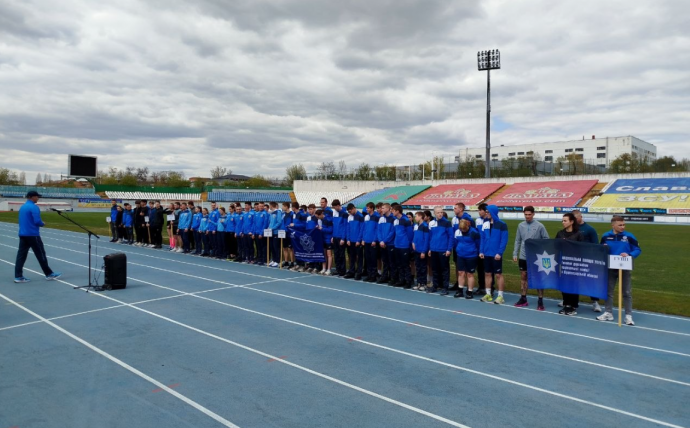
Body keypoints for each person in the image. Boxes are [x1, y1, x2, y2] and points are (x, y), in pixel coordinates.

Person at [597, 216, 642, 326]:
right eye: (620, 225)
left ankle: (628, 316)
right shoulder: (606, 236)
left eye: (624, 225)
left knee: (626, 292)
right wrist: (603, 248)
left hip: (624, 267)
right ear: (613, 225)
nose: (623, 227)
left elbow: (637, 249)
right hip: (610, 267)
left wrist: (629, 254)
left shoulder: (629, 236)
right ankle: (608, 313)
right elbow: (600, 249)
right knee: (608, 291)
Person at [14, 191, 62, 283]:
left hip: (23, 234)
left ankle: (18, 276)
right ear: (31, 197)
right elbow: (37, 221)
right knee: (41, 254)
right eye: (37, 197)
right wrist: (42, 223)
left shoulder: (23, 207)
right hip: (33, 235)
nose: (38, 198)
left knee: (21, 256)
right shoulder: (34, 207)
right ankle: (49, 274)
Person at [512, 206, 550, 310]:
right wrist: (515, 253)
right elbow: (517, 240)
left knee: (538, 278)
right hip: (523, 256)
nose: (527, 216)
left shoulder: (540, 226)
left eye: (529, 214)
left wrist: (538, 247)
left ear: (533, 214)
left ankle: (540, 300)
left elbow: (546, 239)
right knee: (523, 276)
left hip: (536, 256)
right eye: (526, 214)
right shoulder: (520, 225)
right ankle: (523, 298)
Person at [555, 213, 585, 315]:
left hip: (574, 264)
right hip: (563, 263)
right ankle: (566, 304)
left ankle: (573, 306)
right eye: (562, 221)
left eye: (565, 220)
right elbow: (555, 246)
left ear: (571, 222)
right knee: (564, 284)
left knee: (573, 284)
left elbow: (582, 249)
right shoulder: (560, 234)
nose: (563, 222)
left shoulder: (578, 234)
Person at [573, 209, 602, 313]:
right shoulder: (572, 228)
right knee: (573, 280)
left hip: (587, 259)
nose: (574, 221)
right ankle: (569, 301)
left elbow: (596, 244)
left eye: (576, 218)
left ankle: (595, 302)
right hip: (574, 259)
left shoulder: (589, 229)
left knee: (589, 280)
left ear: (580, 217)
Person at [479, 205, 509, 304]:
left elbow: (504, 240)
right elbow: (482, 239)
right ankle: (488, 294)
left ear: (493, 212)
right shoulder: (485, 224)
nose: (486, 213)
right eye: (486, 212)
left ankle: (500, 296)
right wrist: (481, 251)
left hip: (496, 254)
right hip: (486, 253)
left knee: (498, 275)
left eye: (488, 212)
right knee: (487, 273)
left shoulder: (502, 225)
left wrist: (499, 252)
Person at [427, 206, 454, 294]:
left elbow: (451, 236)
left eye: (441, 212)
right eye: (438, 212)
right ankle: (435, 285)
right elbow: (430, 237)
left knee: (444, 269)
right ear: (434, 213)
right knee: (435, 269)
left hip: (443, 249)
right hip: (434, 249)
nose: (440, 214)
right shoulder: (431, 223)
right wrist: (430, 248)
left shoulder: (447, 223)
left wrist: (449, 249)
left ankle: (445, 287)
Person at [454, 219, 481, 299]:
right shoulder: (457, 232)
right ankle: (460, 290)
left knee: (470, 274)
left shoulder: (474, 233)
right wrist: (458, 249)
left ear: (467, 226)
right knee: (460, 273)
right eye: (461, 229)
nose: (463, 231)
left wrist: (475, 252)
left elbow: (478, 244)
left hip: (471, 256)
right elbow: (455, 242)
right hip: (460, 255)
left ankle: (470, 291)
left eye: (464, 229)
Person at [392, 205, 413, 288]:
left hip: (404, 246)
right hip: (397, 245)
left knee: (405, 264)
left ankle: (408, 281)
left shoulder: (406, 220)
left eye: (393, 210)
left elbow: (410, 234)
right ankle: (401, 280)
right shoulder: (395, 221)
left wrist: (409, 245)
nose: (392, 212)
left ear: (397, 211)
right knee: (399, 264)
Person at [376, 203, 396, 284]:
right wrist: (381, 241)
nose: (382, 209)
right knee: (384, 261)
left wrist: (385, 241)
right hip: (382, 244)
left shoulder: (393, 219)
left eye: (383, 208)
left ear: (388, 208)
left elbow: (392, 232)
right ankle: (384, 276)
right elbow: (379, 230)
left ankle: (393, 278)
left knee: (391, 262)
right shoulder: (381, 218)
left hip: (390, 244)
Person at [345, 203, 364, 279]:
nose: (350, 213)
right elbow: (348, 228)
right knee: (352, 257)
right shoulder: (349, 217)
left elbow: (362, 229)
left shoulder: (360, 216)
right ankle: (351, 271)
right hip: (351, 241)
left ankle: (359, 272)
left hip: (357, 241)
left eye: (350, 211)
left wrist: (359, 240)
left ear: (353, 208)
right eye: (348, 212)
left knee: (359, 258)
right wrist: (348, 239)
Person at [361, 202, 379, 282]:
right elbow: (364, 229)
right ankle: (369, 274)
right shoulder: (366, 217)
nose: (367, 209)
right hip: (366, 241)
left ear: (372, 208)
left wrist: (374, 240)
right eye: (366, 208)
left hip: (373, 241)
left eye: (368, 208)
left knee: (373, 259)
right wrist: (363, 239)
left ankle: (373, 276)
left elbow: (377, 229)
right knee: (367, 258)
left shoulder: (376, 217)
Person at [412, 211, 430, 291]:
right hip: (416, 250)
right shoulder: (416, 226)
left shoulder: (425, 226)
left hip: (422, 250)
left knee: (423, 267)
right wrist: (413, 242)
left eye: (416, 216)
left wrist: (423, 251)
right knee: (418, 267)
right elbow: (415, 236)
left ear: (420, 217)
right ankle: (419, 283)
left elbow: (426, 239)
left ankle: (423, 283)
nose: (415, 218)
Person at [331, 200, 348, 276]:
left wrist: (343, 238)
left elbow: (345, 226)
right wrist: (332, 236)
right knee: (336, 254)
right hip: (335, 236)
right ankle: (338, 269)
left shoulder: (344, 214)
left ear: (338, 205)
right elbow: (334, 226)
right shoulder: (334, 214)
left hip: (341, 237)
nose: (334, 209)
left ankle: (342, 270)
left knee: (341, 254)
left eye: (335, 207)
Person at [315, 208, 334, 274]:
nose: (318, 218)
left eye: (318, 217)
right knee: (324, 254)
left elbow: (330, 230)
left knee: (329, 255)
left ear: (321, 214)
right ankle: (324, 268)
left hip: (328, 239)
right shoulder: (320, 220)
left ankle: (329, 269)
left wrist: (322, 229)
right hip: (322, 239)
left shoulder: (328, 220)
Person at [268, 202, 284, 267]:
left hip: (276, 232)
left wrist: (272, 228)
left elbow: (279, 222)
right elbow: (270, 222)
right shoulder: (271, 213)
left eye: (269, 205)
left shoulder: (278, 212)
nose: (269, 207)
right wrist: (269, 228)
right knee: (272, 247)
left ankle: (278, 260)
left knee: (276, 247)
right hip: (271, 232)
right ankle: (274, 260)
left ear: (272, 206)